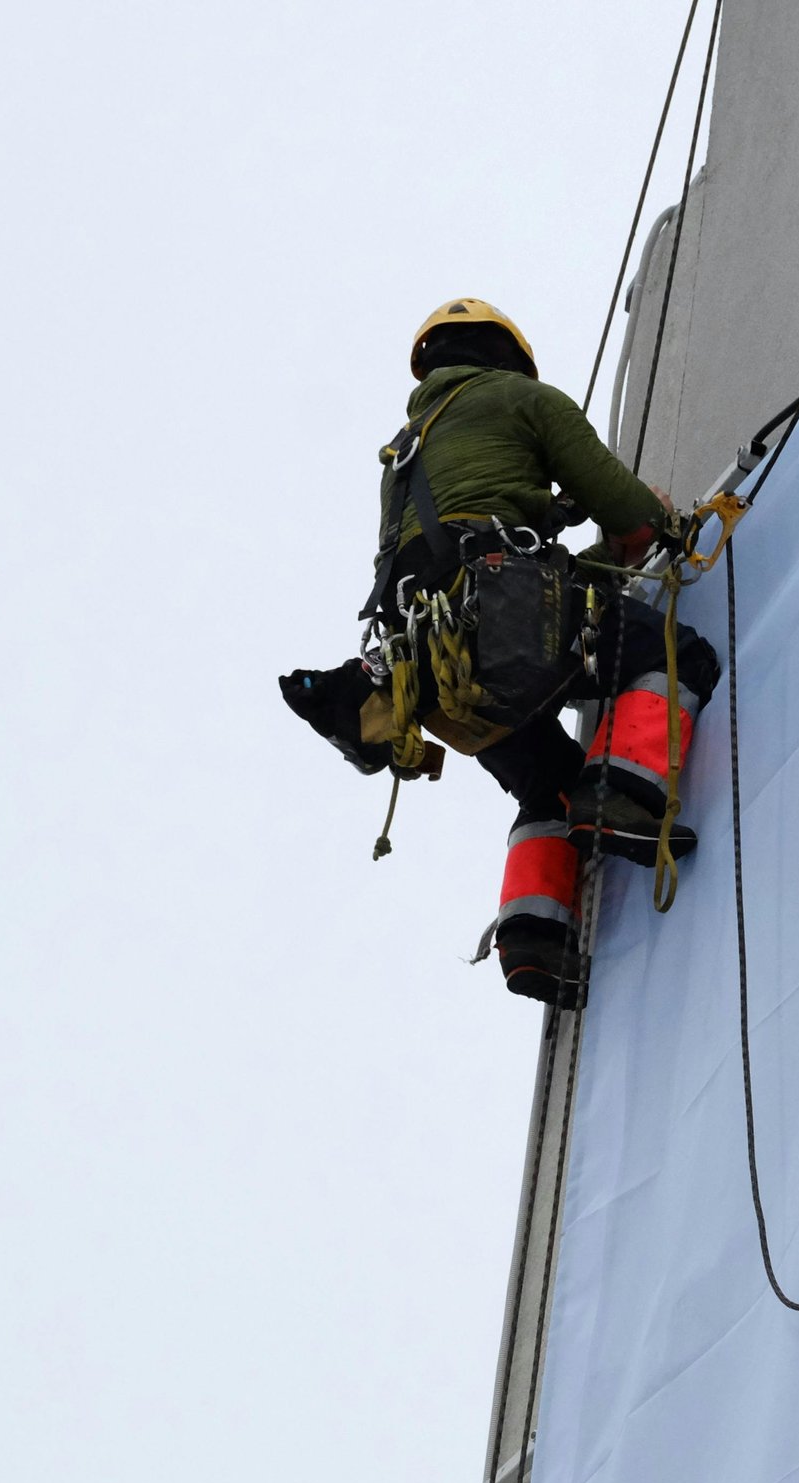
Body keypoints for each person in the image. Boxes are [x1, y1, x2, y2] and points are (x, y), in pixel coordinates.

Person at [280, 298, 720, 1006]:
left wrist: (588, 549)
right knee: (675, 659)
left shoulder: (403, 456)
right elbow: (623, 507)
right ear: (507, 355)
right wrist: (665, 522)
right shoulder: (523, 400)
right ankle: (623, 794)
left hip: (433, 669)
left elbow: (475, 545)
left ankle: (533, 938)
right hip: (504, 622)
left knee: (543, 784)